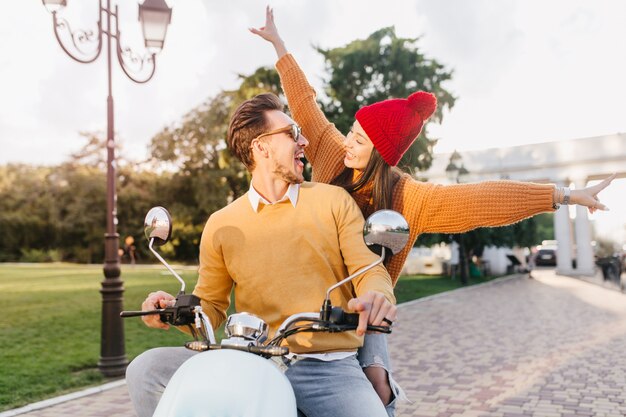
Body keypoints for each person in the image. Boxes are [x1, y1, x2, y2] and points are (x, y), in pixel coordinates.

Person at [250, 6, 616, 415]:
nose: (346, 141)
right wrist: (280, 45)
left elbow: (483, 201)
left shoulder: (410, 199)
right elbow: (305, 103)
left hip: (368, 304)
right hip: (310, 297)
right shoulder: (333, 157)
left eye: (358, 138)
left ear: (381, 152)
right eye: (350, 132)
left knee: (374, 382)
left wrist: (563, 195)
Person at [126, 93, 399, 417]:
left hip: (326, 368)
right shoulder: (221, 223)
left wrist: (376, 296)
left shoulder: (333, 202)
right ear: (261, 147)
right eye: (292, 133)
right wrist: (174, 310)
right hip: (248, 359)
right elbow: (210, 307)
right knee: (145, 369)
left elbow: (369, 270)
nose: (304, 141)